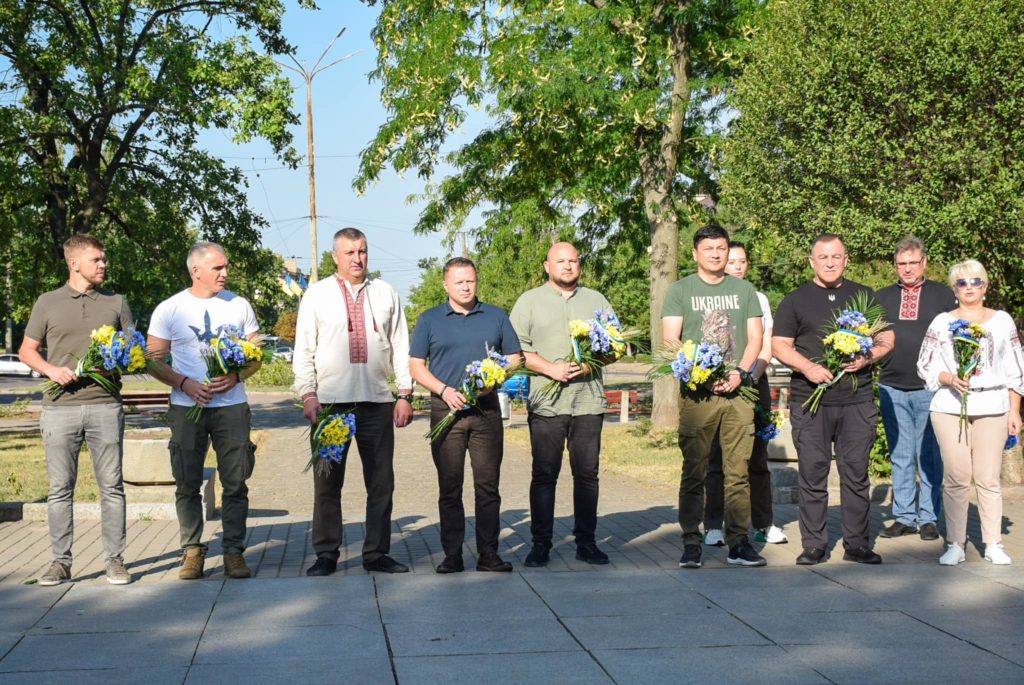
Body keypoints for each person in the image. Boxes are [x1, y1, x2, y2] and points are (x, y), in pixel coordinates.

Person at [293, 227, 414, 576]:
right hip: (332, 407)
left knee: (381, 482)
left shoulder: (386, 292)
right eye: (349, 253)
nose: (357, 259)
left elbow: (401, 347)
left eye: (362, 252)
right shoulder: (316, 295)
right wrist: (308, 393)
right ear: (334, 256)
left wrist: (404, 393)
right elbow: (303, 350)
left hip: (377, 404)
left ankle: (376, 553)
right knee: (328, 482)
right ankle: (327, 553)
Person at [772, 234, 893, 565]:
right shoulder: (795, 300)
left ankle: (856, 544)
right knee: (813, 473)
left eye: (835, 256)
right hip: (810, 399)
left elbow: (886, 338)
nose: (829, 262)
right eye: (822, 257)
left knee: (856, 473)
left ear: (845, 259)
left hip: (857, 401)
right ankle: (814, 544)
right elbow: (780, 345)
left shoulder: (863, 296)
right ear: (812, 261)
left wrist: (867, 359)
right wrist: (808, 368)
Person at [20, 234, 134, 586]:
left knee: (112, 487)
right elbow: (27, 351)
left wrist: (119, 359)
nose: (104, 264)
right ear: (75, 263)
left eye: (104, 259)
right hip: (59, 410)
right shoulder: (47, 302)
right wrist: (52, 371)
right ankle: (60, 562)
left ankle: (115, 560)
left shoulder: (116, 302)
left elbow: (132, 351)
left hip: (105, 407)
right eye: (97, 259)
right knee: (59, 489)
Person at [147, 242, 261, 580]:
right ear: (196, 271)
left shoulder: (239, 305)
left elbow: (256, 354)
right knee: (187, 481)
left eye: (226, 267)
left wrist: (238, 374)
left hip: (232, 406)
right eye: (217, 268)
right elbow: (153, 360)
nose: (225, 273)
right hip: (186, 407)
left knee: (236, 481)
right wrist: (184, 383)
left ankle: (234, 552)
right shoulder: (170, 309)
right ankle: (192, 550)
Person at [662, 225, 766, 569]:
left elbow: (755, 337)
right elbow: (670, 342)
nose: (716, 254)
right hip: (697, 395)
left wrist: (740, 373)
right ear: (695, 254)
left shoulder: (744, 289)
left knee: (738, 471)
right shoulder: (680, 290)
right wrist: (701, 376)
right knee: (695, 470)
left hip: (739, 393)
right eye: (708, 249)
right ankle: (692, 541)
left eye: (721, 248)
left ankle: (739, 542)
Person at [410, 257, 522, 573]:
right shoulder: (430, 319)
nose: (465, 286)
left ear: (476, 282)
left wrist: (494, 380)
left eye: (470, 280)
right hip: (446, 411)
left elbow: (515, 359)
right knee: (450, 486)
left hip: (485, 412)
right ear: (445, 284)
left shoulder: (496, 316)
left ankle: (489, 554)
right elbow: (416, 366)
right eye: (458, 281)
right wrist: (444, 390)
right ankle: (453, 555)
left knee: (487, 486)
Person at [510, 242, 616, 567]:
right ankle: (541, 543)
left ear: (579, 264)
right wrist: (550, 368)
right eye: (561, 261)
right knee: (545, 474)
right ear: (547, 265)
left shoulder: (596, 300)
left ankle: (587, 542)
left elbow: (616, 346)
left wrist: (588, 365)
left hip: (588, 401)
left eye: (573, 260)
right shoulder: (529, 302)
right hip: (546, 404)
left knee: (587, 475)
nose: (568, 266)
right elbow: (515, 352)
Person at [917, 260, 1023, 566]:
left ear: (986, 286)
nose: (970, 288)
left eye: (976, 281)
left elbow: (1016, 368)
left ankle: (993, 543)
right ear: (954, 289)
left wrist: (1015, 410)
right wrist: (948, 378)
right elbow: (925, 364)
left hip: (993, 405)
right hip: (951, 406)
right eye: (962, 283)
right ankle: (955, 542)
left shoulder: (1002, 321)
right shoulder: (942, 322)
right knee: (956, 477)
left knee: (988, 477)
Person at [702, 241, 788, 548]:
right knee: (716, 458)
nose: (737, 266)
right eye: (732, 261)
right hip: (716, 383)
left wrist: (751, 374)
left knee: (756, 458)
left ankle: (763, 523)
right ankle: (713, 524)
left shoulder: (758, 297)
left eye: (742, 262)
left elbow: (765, 342)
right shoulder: (710, 296)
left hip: (752, 381)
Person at [875, 237, 957, 541]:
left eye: (913, 262)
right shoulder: (881, 297)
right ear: (895, 265)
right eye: (901, 263)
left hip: (930, 387)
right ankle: (904, 516)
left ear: (924, 263)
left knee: (929, 455)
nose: (907, 269)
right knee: (900, 454)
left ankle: (929, 518)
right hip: (891, 385)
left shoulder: (943, 295)